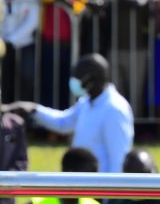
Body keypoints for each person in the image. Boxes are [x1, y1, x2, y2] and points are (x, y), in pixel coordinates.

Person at [4, 54, 134, 174]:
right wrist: (33, 109)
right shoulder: (87, 102)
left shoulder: (115, 109)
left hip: (101, 188)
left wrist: (111, 196)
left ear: (91, 79)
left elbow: (119, 158)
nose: (74, 81)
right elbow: (64, 123)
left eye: (78, 77)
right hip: (83, 181)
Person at [1, 0, 39, 102]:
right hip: (2, 44)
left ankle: (23, 109)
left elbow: (32, 21)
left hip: (24, 43)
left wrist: (12, 39)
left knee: (27, 76)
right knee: (5, 79)